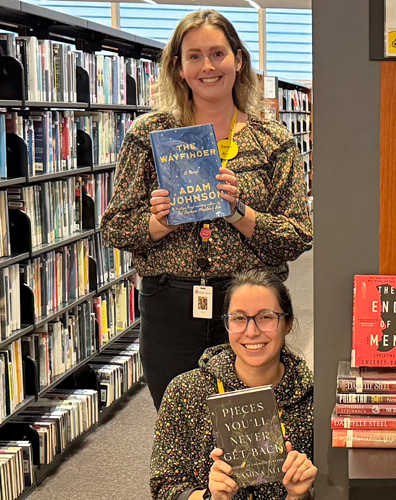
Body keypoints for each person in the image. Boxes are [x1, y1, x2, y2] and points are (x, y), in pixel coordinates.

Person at [100, 10, 313, 409]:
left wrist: (239, 212)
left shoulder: (273, 140)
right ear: (179, 67)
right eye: (194, 56)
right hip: (171, 305)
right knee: (180, 423)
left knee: (251, 426)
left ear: (239, 60)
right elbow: (114, 227)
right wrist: (159, 223)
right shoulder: (149, 135)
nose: (208, 66)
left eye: (218, 53)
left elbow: (298, 235)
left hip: (251, 307)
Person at [151, 268, 315, 500]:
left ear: (287, 323)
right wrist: (212, 497)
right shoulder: (185, 392)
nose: (252, 331)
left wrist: (300, 496)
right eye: (239, 318)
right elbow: (164, 487)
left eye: (266, 317)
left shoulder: (313, 399)